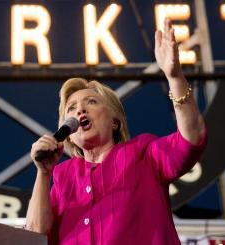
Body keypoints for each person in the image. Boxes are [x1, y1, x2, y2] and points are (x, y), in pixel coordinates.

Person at [25, 18, 207, 245]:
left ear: (114, 122)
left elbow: (192, 137)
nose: (80, 109)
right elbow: (34, 236)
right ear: (69, 133)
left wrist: (174, 76)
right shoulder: (63, 178)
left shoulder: (144, 154)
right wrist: (43, 174)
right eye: (71, 108)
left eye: (91, 102)